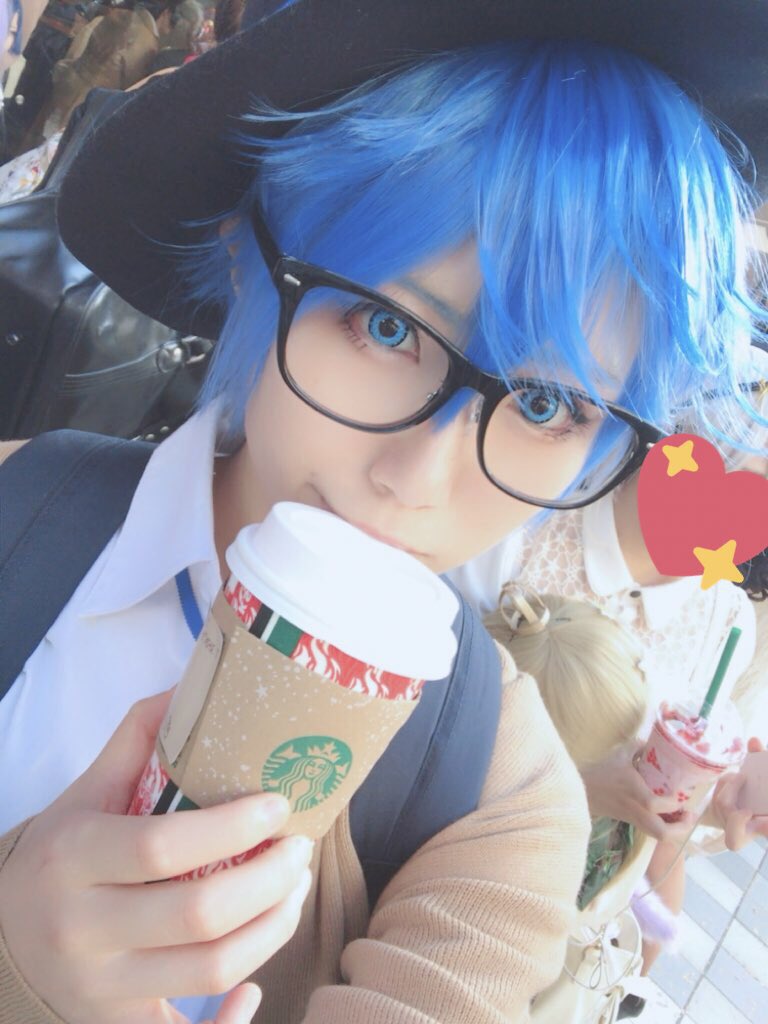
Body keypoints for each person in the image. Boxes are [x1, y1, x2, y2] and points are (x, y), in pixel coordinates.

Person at [1, 1, 767, 1022]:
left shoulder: (497, 801)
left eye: (546, 405)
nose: (419, 476)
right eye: (385, 326)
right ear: (243, 251)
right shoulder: (21, 509)